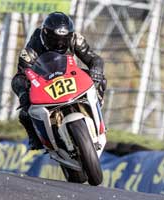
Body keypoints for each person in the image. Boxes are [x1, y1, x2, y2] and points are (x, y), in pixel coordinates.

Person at [11, 12, 106, 150]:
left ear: (70, 36)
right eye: (55, 40)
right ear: (45, 34)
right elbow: (19, 77)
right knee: (25, 113)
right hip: (45, 82)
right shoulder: (31, 50)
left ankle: (96, 111)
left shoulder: (75, 39)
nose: (60, 44)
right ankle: (36, 139)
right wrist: (23, 94)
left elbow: (94, 58)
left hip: (70, 76)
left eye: (64, 40)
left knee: (101, 79)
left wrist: (96, 69)